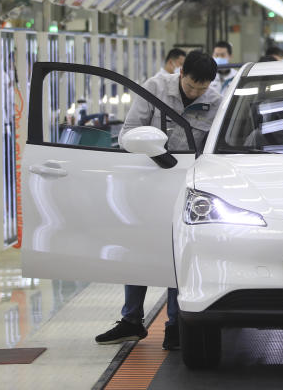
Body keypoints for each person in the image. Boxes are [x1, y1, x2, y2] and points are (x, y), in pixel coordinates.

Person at [95, 51, 221, 351]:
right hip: (148, 183)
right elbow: (127, 134)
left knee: (179, 256)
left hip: (186, 187)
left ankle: (177, 327)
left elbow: (214, 149)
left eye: (201, 89)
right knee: (138, 250)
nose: (195, 93)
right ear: (181, 73)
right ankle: (130, 322)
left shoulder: (216, 102)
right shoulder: (154, 88)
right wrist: (156, 152)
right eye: (191, 86)